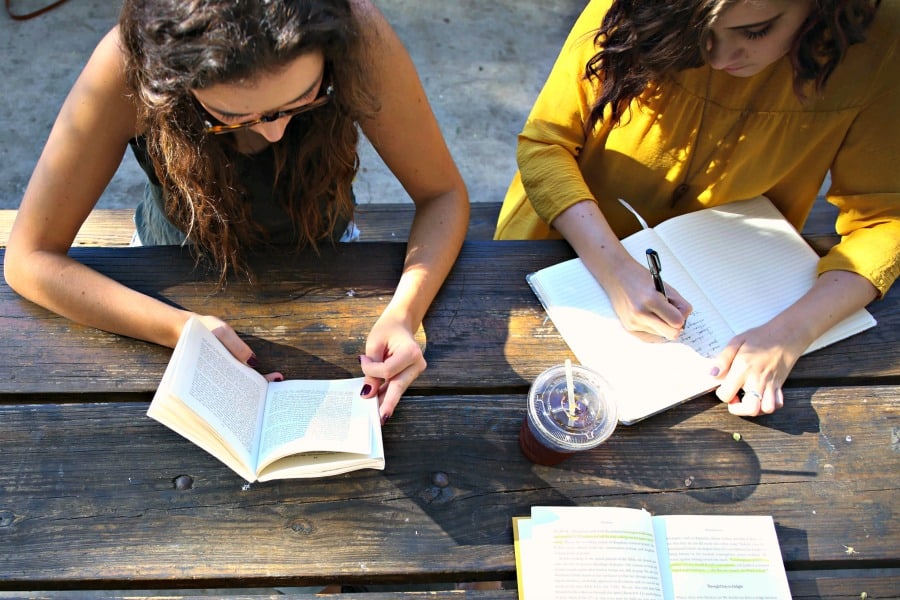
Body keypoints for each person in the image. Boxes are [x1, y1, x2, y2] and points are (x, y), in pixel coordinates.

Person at [3, 0, 470, 424]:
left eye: (306, 97)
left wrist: (404, 314)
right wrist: (181, 329)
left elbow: (442, 194)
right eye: (233, 118)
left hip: (328, 255)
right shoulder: (129, 65)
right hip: (170, 266)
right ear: (171, 81)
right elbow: (29, 260)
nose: (275, 133)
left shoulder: (356, 32)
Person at [496, 0, 899, 417]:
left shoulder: (880, 41)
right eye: (701, 32)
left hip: (741, 298)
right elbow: (547, 145)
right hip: (558, 245)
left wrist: (790, 334)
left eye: (756, 31)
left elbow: (886, 221)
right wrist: (615, 269)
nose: (720, 57)